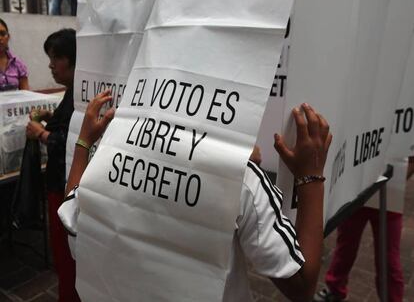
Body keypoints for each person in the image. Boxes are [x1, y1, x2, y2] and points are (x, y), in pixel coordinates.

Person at [60, 91, 332, 301]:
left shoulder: (108, 159)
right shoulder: (239, 177)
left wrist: (84, 142)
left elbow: (71, 217)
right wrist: (311, 176)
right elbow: (301, 284)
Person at [25, 28, 80, 302]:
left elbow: (70, 142)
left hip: (64, 185)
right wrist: (50, 116)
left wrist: (41, 133)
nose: (50, 64)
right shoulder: (73, 92)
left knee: (66, 256)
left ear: (73, 59)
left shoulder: (80, 96)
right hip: (67, 186)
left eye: (56, 57)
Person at [313, 159, 412, 302]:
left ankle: (393, 297)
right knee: (345, 247)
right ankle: (335, 287)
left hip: (389, 199)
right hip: (357, 196)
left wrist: (395, 183)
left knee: (389, 258)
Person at [0, 18, 29, 91]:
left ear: (8, 37)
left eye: (3, 34)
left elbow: (26, 95)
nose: (0, 38)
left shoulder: (18, 64)